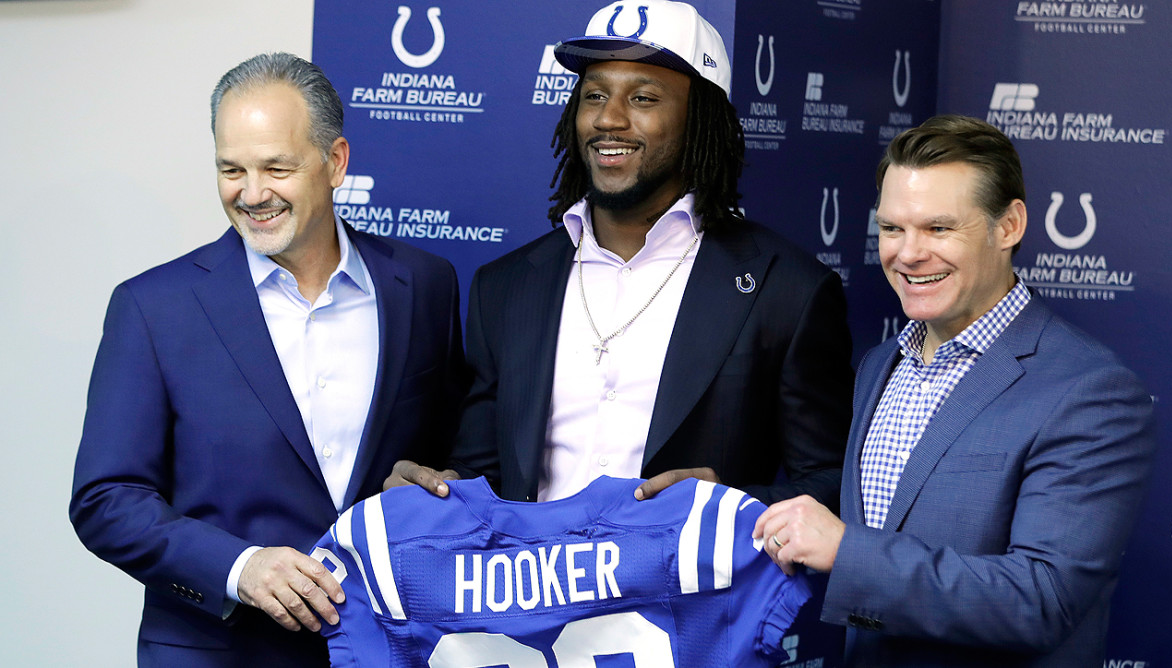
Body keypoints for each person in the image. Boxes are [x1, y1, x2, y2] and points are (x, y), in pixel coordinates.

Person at [69, 53, 465, 667]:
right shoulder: (153, 307)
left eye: (277, 167)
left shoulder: (425, 285)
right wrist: (240, 567)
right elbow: (106, 498)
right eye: (232, 169)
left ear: (335, 163)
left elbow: (450, 453)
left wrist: (431, 485)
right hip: (218, 652)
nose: (252, 194)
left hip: (393, 648)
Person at [387, 0, 853, 506]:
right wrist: (439, 490)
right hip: (529, 581)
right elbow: (483, 473)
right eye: (594, 95)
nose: (609, 119)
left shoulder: (787, 289)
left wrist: (732, 505)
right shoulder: (505, 285)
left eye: (644, 98)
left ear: (702, 117)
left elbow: (833, 485)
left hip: (689, 584)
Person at [754, 114, 1157, 666]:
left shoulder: (1091, 392)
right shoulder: (878, 365)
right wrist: (718, 503)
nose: (908, 254)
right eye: (892, 228)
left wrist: (848, 552)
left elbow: (1042, 600)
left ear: (1009, 226)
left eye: (939, 229)